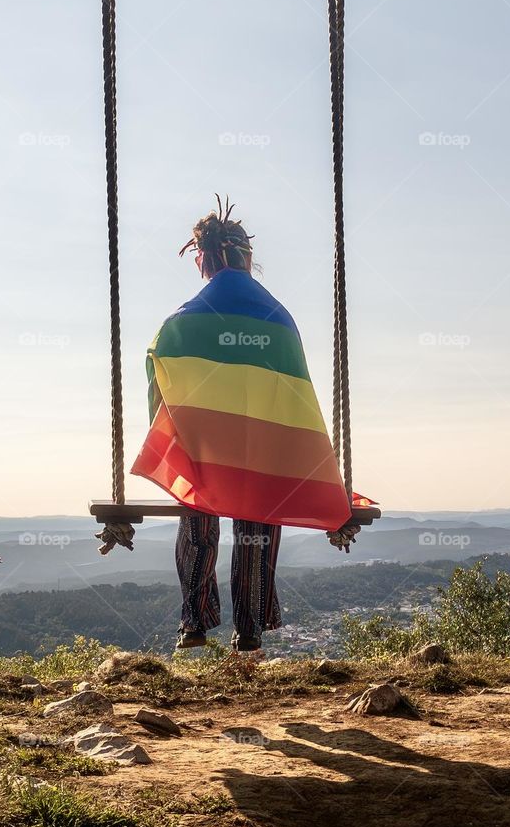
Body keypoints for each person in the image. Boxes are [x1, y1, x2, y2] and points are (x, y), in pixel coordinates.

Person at [131, 198, 352, 653]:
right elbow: (296, 396)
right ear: (247, 258)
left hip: (206, 449)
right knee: (258, 516)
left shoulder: (182, 320)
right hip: (265, 453)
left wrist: (179, 430)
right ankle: (248, 631)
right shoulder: (279, 319)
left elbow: (158, 373)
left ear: (203, 260)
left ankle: (194, 620)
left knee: (198, 502)